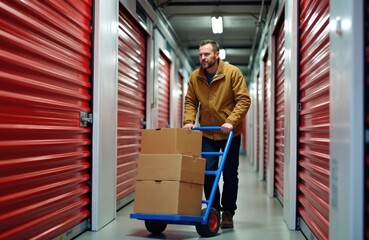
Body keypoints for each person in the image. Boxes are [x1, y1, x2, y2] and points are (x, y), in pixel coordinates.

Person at [183, 39, 251, 229]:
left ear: (217, 54)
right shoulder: (196, 77)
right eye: (200, 55)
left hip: (230, 133)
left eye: (206, 54)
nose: (203, 58)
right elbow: (190, 102)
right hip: (207, 134)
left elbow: (243, 100)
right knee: (208, 173)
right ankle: (213, 210)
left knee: (229, 174)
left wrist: (231, 121)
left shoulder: (232, 73)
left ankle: (228, 212)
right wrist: (188, 121)